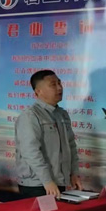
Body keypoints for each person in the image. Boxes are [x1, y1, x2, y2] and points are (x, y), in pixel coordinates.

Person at [15, 69, 81, 199]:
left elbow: (71, 146)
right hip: (37, 184)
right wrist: (47, 181)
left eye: (59, 83)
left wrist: (74, 173)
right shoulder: (30, 116)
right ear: (38, 92)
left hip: (58, 181)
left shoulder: (62, 114)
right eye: (53, 85)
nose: (59, 88)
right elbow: (30, 151)